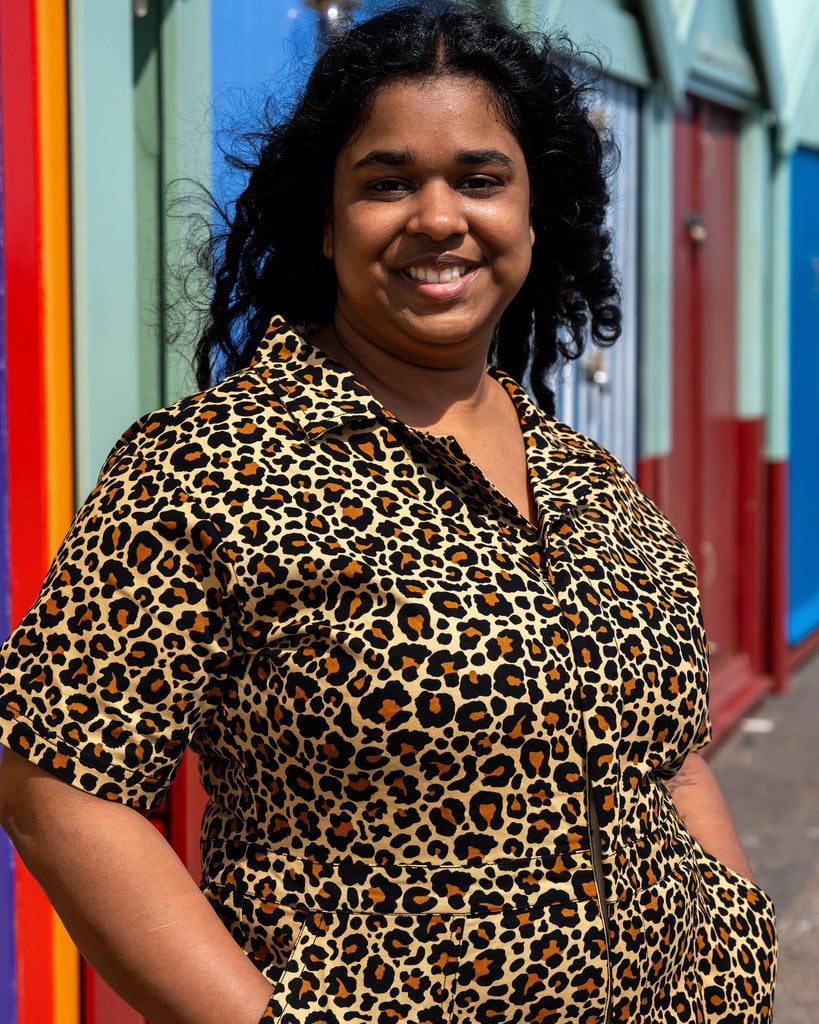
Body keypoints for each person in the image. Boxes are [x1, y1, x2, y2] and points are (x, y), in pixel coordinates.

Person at [0, 5, 776, 1023]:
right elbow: (57, 784)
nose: (439, 216)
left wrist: (736, 944)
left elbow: (666, 761)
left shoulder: (590, 481)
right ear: (326, 221)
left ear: (535, 218)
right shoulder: (211, 469)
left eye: (482, 179)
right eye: (388, 181)